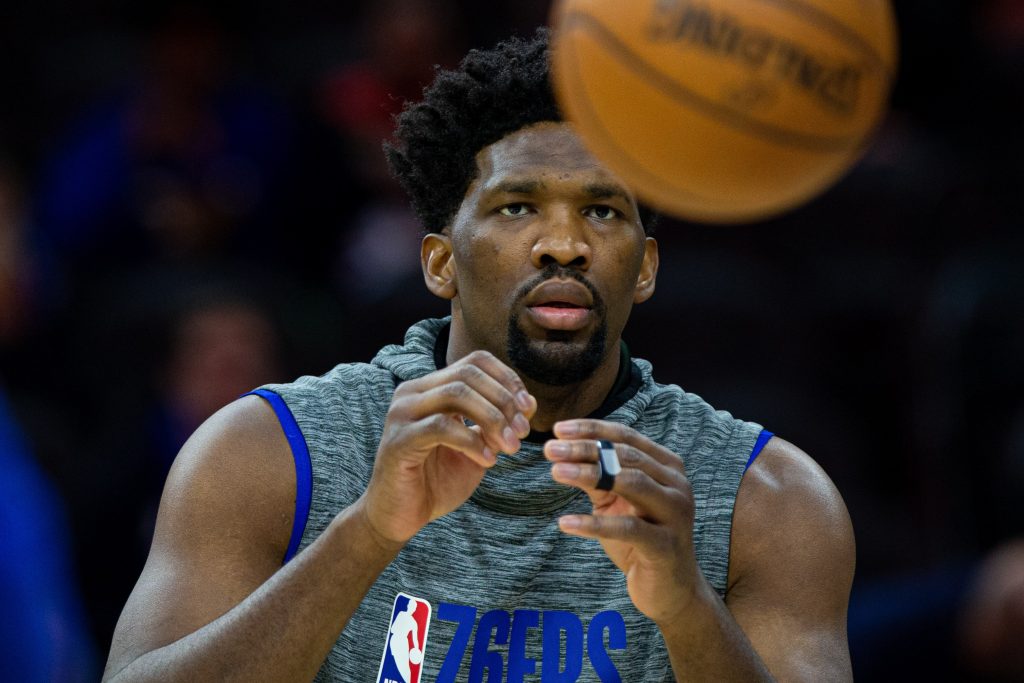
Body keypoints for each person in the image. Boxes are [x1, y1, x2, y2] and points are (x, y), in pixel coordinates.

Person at [103, 30, 854, 681]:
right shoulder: (266, 453)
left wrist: (688, 607)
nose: (565, 244)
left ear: (646, 266)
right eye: (517, 207)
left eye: (601, 210)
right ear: (440, 263)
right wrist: (366, 534)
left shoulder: (768, 497)